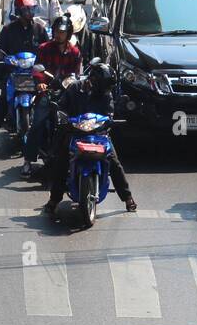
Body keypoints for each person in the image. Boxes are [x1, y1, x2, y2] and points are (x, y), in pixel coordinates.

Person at [42, 60, 136, 215]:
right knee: (61, 162)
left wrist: (110, 121)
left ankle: (128, 198)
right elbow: (62, 106)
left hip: (98, 135)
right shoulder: (74, 88)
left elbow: (109, 113)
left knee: (114, 163)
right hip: (74, 133)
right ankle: (54, 200)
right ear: (93, 80)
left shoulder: (106, 94)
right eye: (105, 85)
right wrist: (62, 117)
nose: (107, 89)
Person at [0, 0, 46, 149]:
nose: (30, 13)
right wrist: (1, 70)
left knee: (46, 101)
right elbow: (0, 52)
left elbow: (46, 49)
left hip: (34, 74)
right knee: (3, 100)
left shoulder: (39, 29)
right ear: (19, 11)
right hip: (12, 73)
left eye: (31, 9)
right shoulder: (8, 30)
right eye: (26, 10)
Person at [24, 14, 82, 177]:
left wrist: (72, 85)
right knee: (36, 125)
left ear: (68, 33)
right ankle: (28, 161)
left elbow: (76, 75)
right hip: (47, 91)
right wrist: (40, 83)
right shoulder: (44, 48)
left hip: (66, 94)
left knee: (77, 124)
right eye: (57, 31)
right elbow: (37, 69)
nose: (59, 35)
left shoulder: (75, 53)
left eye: (62, 32)